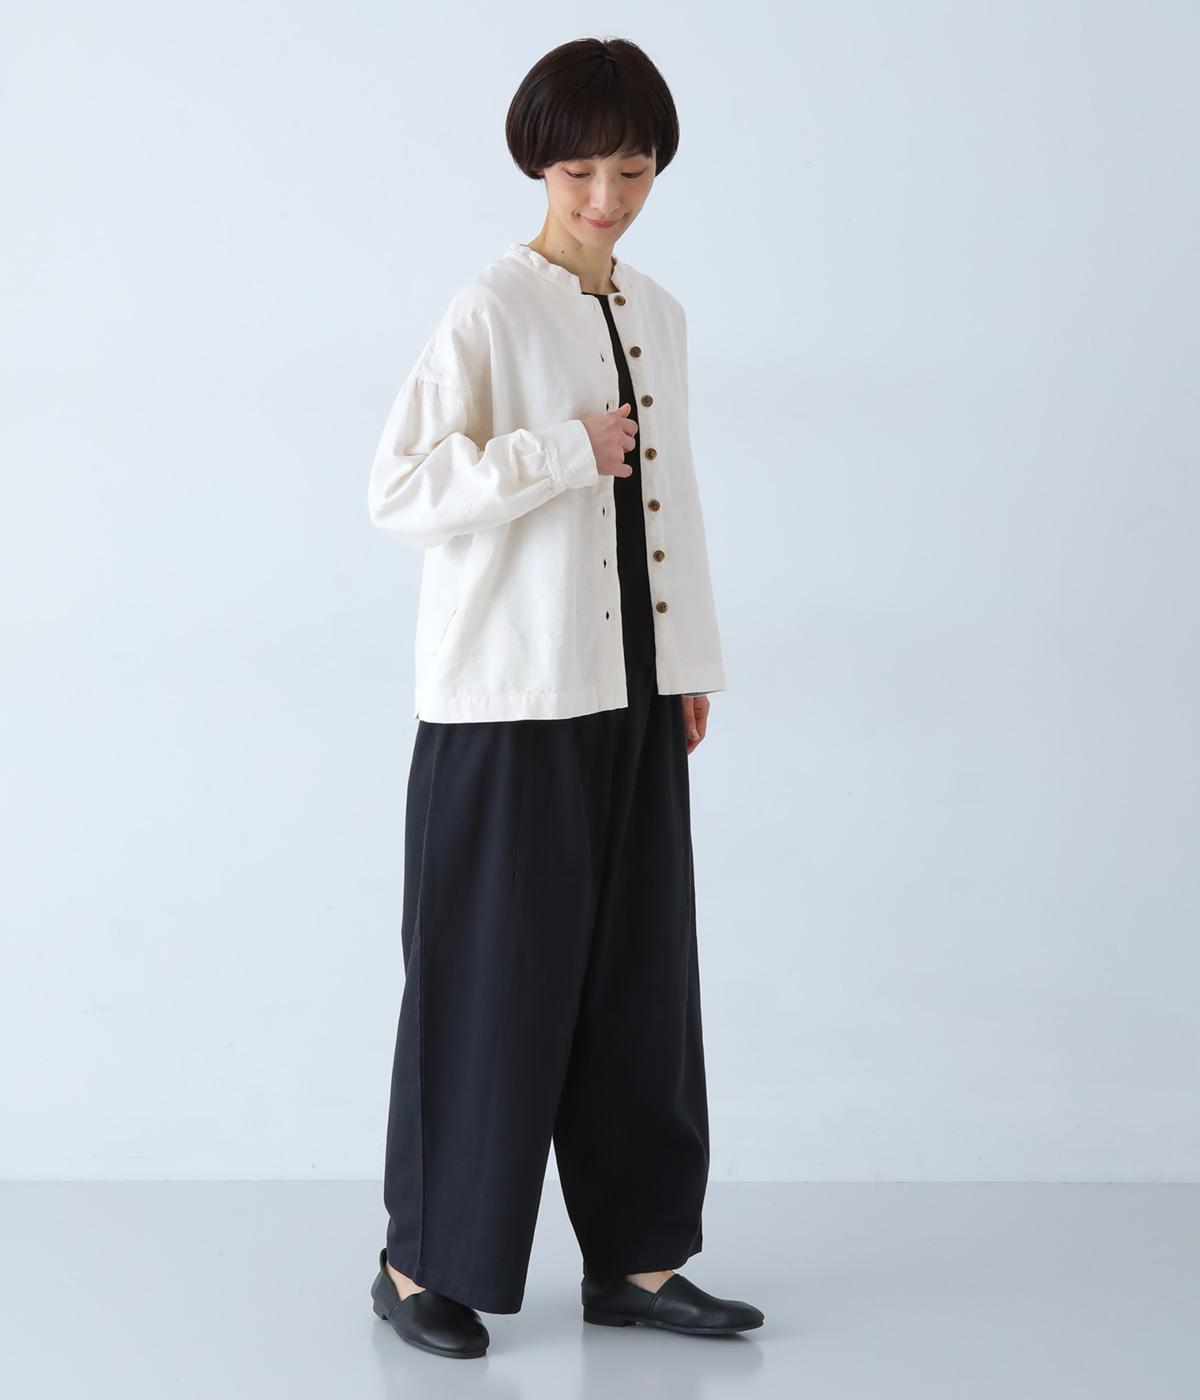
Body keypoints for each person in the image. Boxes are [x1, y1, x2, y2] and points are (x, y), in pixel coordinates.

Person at [365, 36, 764, 1359]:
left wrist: (687, 665)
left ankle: (638, 1262)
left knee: (642, 980)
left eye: (632, 170)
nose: (606, 197)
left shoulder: (660, 312)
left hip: (631, 691)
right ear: (541, 166)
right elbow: (399, 488)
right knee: (486, 983)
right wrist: (557, 451)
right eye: (582, 171)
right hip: (506, 699)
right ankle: (422, 1266)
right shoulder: (490, 310)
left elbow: (674, 502)